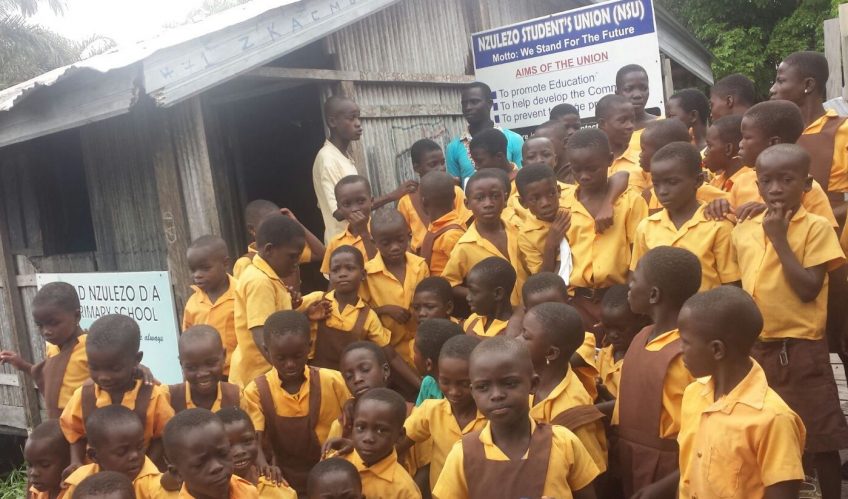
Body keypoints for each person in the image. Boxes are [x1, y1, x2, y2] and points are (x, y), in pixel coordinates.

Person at [733, 144, 848, 499]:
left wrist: (780, 240)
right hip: (756, 348)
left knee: (820, 435)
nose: (776, 189)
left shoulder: (815, 227)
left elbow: (809, 290)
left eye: (787, 179)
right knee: (768, 433)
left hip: (801, 348)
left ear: (807, 183)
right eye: (767, 181)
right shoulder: (745, 227)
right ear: (757, 183)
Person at [673, 286, 805, 499]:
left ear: (717, 350)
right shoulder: (693, 394)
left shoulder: (773, 419)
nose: (680, 349)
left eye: (685, 342)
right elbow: (689, 471)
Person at [433, 337, 599, 499]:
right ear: (473, 392)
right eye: (483, 387)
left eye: (509, 383)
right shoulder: (464, 454)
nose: (496, 395)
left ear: (533, 384)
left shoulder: (563, 443)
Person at [615, 246, 700, 497]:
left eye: (635, 280)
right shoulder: (641, 336)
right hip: (630, 456)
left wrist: (667, 485)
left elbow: (704, 435)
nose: (628, 286)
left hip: (669, 468)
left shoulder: (688, 354)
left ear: (653, 294)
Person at [242, 310, 348, 495]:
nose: (290, 364)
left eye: (297, 356)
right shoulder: (257, 391)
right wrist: (264, 466)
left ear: (309, 346)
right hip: (283, 477)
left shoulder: (333, 381)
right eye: (281, 358)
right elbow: (254, 439)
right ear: (266, 350)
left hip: (332, 473)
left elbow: (354, 419)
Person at [60, 314, 173, 475]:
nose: (103, 376)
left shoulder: (152, 396)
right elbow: (74, 433)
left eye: (114, 369)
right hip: (97, 478)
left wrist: (144, 468)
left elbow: (161, 437)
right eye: (94, 368)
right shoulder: (84, 396)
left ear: (136, 359)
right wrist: (76, 462)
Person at [561, 128, 648, 334]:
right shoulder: (563, 206)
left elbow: (639, 255)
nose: (584, 176)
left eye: (592, 169)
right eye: (576, 169)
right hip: (578, 302)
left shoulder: (629, 202)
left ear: (610, 160)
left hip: (621, 300)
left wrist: (627, 301)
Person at [703, 100, 838, 227]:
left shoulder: (807, 188)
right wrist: (719, 207)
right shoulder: (743, 182)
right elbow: (733, 223)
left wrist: (770, 212)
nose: (740, 144)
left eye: (747, 138)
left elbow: (826, 236)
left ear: (773, 142)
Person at [631, 142, 740, 292]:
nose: (662, 191)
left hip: (707, 313)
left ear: (698, 181)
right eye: (656, 184)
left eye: (672, 182)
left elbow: (731, 285)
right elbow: (638, 278)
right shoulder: (646, 228)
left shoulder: (718, 226)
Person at [301, 247, 416, 386]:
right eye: (336, 270)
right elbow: (282, 317)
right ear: (329, 276)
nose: (342, 274)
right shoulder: (317, 299)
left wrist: (420, 384)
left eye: (349, 268)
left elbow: (391, 356)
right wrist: (306, 315)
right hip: (314, 380)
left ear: (363, 274)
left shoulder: (367, 316)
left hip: (348, 385)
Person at [231, 214, 322, 387]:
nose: (296, 263)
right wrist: (288, 376)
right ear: (269, 250)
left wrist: (301, 312)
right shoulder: (260, 282)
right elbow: (261, 334)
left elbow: (275, 321)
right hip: (258, 377)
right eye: (292, 257)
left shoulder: (268, 277)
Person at [518, 302, 607, 474]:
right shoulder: (529, 382)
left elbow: (593, 471)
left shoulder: (572, 407)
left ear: (551, 353)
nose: (516, 340)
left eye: (525, 336)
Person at [400, 335, 486, 490]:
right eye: (445, 382)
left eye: (464, 384)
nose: (453, 391)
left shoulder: (493, 418)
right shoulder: (431, 410)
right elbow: (398, 442)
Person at [771, 51, 848, 221]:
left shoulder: (843, 130)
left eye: (781, 81)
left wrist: (811, 223)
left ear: (808, 84)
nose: (772, 89)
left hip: (833, 238)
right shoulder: (776, 135)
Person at [0, 282, 88, 419]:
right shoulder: (52, 347)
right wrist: (22, 365)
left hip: (85, 424)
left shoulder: (90, 348)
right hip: (59, 421)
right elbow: (50, 377)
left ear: (76, 316)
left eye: (53, 323)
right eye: (40, 325)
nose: (46, 331)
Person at [441, 169, 526, 307]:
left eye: (495, 196)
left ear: (505, 199)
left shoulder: (519, 230)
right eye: (480, 198)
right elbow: (450, 284)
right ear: (467, 204)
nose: (488, 204)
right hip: (495, 317)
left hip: (527, 309)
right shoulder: (465, 246)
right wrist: (480, 295)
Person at [511, 272, 599, 402]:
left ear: (568, 303)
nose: (548, 313)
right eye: (538, 309)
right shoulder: (530, 340)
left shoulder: (585, 339)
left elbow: (562, 358)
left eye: (554, 305)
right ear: (526, 312)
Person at [361, 209, 430, 371]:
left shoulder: (420, 266)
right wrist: (385, 310)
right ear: (373, 242)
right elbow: (360, 313)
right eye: (386, 243)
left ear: (408, 235)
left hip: (421, 347)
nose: (395, 247)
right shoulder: (367, 274)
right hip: (388, 352)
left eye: (400, 240)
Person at [61, 406, 166, 499]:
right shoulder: (79, 480)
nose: (135, 455)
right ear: (94, 455)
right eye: (122, 452)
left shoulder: (156, 486)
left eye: (140, 447)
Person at [343, 388, 422, 499]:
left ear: (400, 436)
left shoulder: (403, 489)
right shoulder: (339, 462)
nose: (368, 438)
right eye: (361, 427)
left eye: (381, 430)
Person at [163, 408, 259, 498]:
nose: (217, 467)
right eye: (200, 464)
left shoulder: (247, 491)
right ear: (177, 473)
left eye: (223, 454)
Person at [639, 119, 729, 213]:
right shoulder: (648, 195)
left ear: (666, 151)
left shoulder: (699, 190)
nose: (640, 154)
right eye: (656, 184)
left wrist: (720, 205)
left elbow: (734, 207)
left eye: (643, 150)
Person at [396, 139, 468, 252]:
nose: (441, 168)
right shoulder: (406, 201)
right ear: (416, 168)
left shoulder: (455, 191)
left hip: (454, 251)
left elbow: (466, 225)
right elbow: (403, 237)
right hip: (422, 260)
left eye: (442, 162)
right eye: (433, 164)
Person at [445, 82, 523, 186]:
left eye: (474, 102)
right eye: (464, 103)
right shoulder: (453, 147)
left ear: (490, 104)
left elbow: (522, 180)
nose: (468, 107)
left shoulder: (514, 139)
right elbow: (456, 190)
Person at [182, 235, 237, 377]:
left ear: (225, 263)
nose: (197, 275)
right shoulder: (193, 303)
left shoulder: (241, 294)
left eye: (205, 268)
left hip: (237, 374)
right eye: (193, 270)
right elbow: (187, 341)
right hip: (204, 375)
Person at [232, 202, 325, 283]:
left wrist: (296, 223)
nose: (277, 227)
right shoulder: (245, 263)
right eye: (270, 223)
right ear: (252, 229)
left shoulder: (287, 252)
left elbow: (321, 254)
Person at [313, 96, 363, 243]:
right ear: (332, 122)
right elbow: (339, 213)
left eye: (358, 118)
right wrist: (392, 196)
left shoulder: (343, 157)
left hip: (355, 241)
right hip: (343, 245)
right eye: (352, 118)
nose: (358, 124)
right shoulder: (328, 160)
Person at [217, 407, 297, 498]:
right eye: (228, 446)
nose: (239, 452)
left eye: (247, 440)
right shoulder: (210, 493)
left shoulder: (279, 491)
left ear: (256, 438)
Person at [169, 325, 241, 413]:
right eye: (192, 367)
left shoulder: (236, 397)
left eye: (211, 363)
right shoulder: (169, 397)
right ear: (181, 364)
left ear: (224, 355)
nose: (202, 373)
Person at [595, 285, 648, 402]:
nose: (613, 335)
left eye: (620, 329)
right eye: (607, 328)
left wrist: (603, 393)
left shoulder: (642, 361)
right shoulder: (605, 354)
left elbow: (630, 407)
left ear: (641, 321)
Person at [469, 128, 528, 230]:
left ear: (499, 156)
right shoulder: (477, 186)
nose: (476, 167)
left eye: (480, 161)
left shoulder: (525, 183)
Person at [320, 175, 378, 274]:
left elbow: (381, 268)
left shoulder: (382, 231)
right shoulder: (335, 243)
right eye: (347, 204)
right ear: (339, 208)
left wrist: (364, 233)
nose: (355, 209)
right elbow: (333, 280)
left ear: (371, 201)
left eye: (361, 201)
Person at [418, 172, 467, 276]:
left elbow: (464, 271)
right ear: (454, 196)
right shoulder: (436, 225)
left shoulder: (451, 235)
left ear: (423, 202)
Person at [412, 317, 462, 406]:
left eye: (415, 352)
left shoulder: (462, 394)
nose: (413, 357)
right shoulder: (428, 383)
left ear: (428, 364)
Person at [462, 257, 514, 339]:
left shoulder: (512, 330)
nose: (468, 297)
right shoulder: (473, 320)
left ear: (498, 293)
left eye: (474, 291)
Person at [704, 115, 748, 197]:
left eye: (709, 146)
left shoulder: (749, 182)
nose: (705, 153)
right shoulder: (717, 181)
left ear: (728, 149)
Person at [24, 420, 69, 499]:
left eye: (45, 465)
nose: (33, 473)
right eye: (30, 465)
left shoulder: (76, 492)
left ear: (68, 463)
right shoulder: (36, 492)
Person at [616, 64, 658, 133]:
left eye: (643, 88)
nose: (637, 95)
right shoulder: (611, 133)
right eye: (629, 89)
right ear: (617, 94)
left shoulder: (663, 126)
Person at [534, 119, 579, 183]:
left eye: (546, 142)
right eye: (537, 143)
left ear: (566, 143)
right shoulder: (537, 179)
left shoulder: (580, 175)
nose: (539, 147)